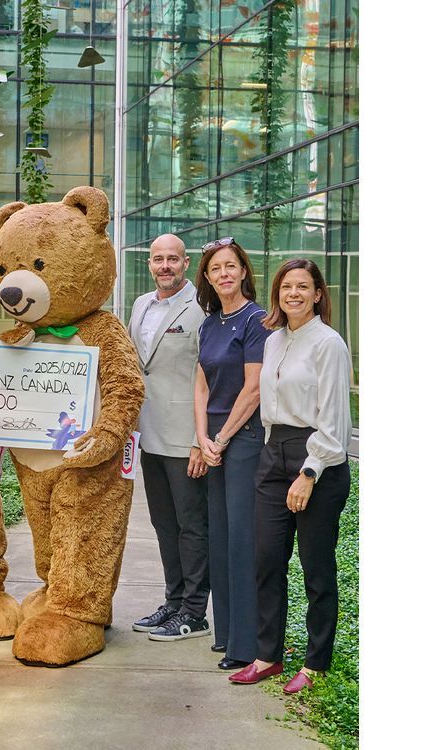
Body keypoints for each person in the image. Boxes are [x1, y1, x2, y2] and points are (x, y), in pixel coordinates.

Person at [228, 259, 352, 693]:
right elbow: (269, 404)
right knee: (266, 561)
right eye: (286, 287)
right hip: (273, 454)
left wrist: (309, 472)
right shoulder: (273, 340)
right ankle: (268, 656)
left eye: (303, 287)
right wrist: (271, 454)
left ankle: (316, 663)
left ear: (318, 294)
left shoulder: (328, 344)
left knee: (317, 570)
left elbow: (334, 421)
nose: (293, 294)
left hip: (316, 460)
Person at [193, 236, 270, 671]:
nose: (223, 273)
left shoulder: (256, 320)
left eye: (230, 266)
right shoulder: (209, 323)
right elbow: (201, 384)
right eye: (215, 268)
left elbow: (253, 389)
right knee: (219, 538)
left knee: (241, 540)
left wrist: (221, 440)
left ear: (243, 271)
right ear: (207, 276)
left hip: (243, 442)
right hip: (216, 442)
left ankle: (246, 644)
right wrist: (202, 438)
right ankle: (225, 635)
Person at [128, 234, 210, 642]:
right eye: (158, 259)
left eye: (173, 260)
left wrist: (201, 438)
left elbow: (209, 377)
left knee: (191, 526)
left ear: (186, 262)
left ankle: (195, 612)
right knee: (163, 524)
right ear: (149, 263)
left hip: (184, 439)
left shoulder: (202, 308)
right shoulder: (141, 305)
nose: (165, 266)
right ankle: (173, 601)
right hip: (149, 435)